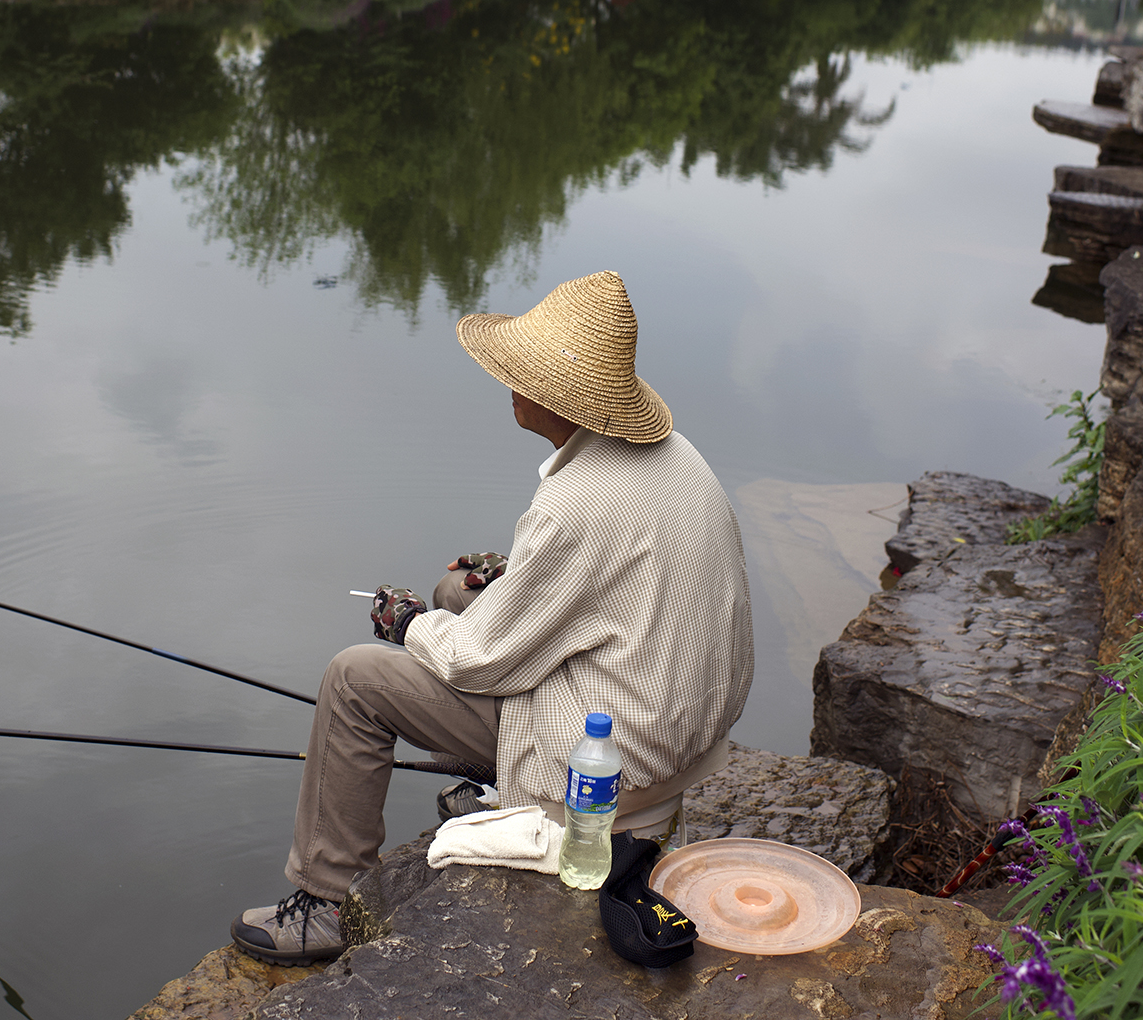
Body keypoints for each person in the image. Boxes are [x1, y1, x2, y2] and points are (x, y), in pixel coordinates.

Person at [230, 270, 753, 964]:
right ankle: (487, 778)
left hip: (608, 771)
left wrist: (406, 624)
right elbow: (614, 578)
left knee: (356, 679)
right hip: (676, 733)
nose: (508, 383)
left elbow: (480, 659)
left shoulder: (577, 502)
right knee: (458, 590)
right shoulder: (678, 456)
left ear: (556, 395)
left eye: (520, 373)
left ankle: (326, 901)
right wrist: (506, 576)